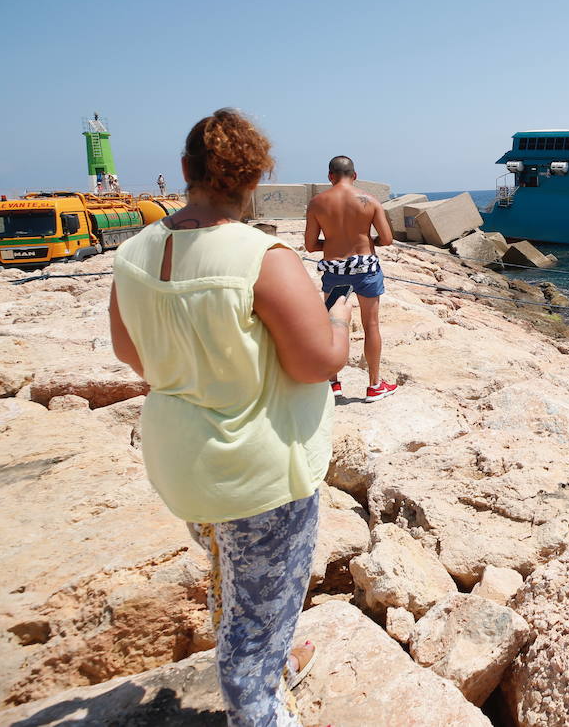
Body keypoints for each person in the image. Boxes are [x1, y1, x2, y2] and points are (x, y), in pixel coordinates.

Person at [109, 108, 350, 726]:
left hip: (181, 463)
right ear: (254, 178)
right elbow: (316, 364)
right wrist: (341, 323)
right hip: (257, 474)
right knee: (253, 629)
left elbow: (129, 352)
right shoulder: (260, 257)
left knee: (230, 567)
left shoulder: (135, 253)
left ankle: (275, 654)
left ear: (186, 170)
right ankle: (261, 700)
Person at [304, 156, 398, 402]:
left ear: (330, 177)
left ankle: (333, 384)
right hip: (365, 268)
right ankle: (374, 385)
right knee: (372, 326)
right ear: (355, 175)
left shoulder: (317, 203)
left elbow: (311, 245)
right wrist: (366, 242)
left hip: (334, 271)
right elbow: (387, 239)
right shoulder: (370, 201)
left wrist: (334, 242)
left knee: (333, 325)